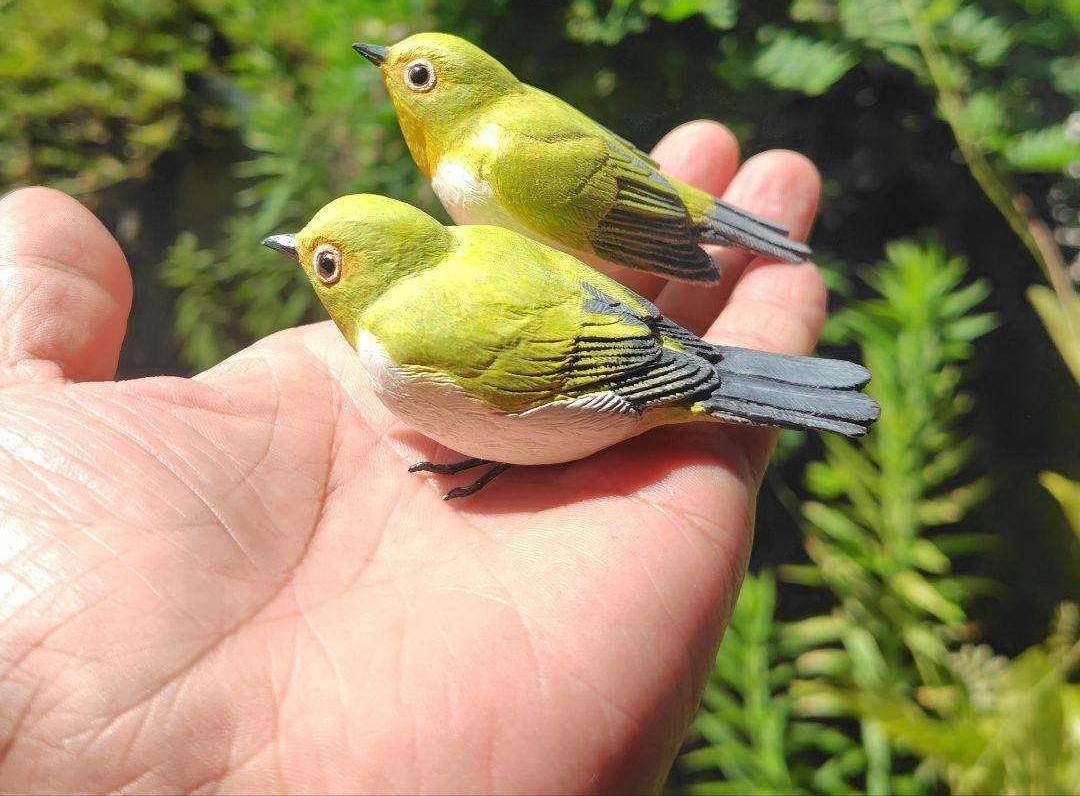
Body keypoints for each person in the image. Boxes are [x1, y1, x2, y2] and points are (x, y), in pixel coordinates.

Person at [0, 121, 824, 793]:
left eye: (327, 264)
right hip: (637, 333)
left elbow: (546, 380)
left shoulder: (397, 346)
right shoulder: (478, 245)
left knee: (704, 386)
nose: (314, 271)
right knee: (728, 375)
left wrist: (673, 377)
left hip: (616, 374)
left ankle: (726, 383)